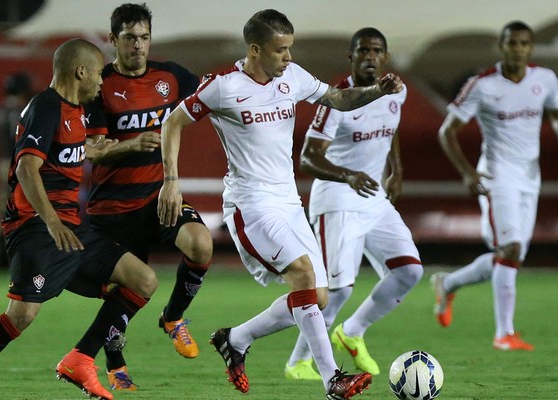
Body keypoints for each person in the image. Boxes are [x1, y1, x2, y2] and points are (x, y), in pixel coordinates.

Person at [158, 9, 403, 399]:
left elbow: (338, 98)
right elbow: (173, 122)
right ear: (255, 50)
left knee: (318, 298)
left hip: (289, 203)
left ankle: (235, 339)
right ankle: (333, 380)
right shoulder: (222, 87)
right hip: (251, 205)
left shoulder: (292, 76)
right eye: (280, 50)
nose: (288, 57)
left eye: (290, 48)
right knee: (305, 277)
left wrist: (377, 92)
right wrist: (171, 181)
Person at [0, 38, 158, 400]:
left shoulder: (77, 110)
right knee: (21, 315)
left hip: (71, 228)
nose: (102, 81)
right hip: (37, 227)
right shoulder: (46, 107)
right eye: (99, 73)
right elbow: (26, 167)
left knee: (142, 279)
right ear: (81, 71)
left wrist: (131, 145)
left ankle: (81, 359)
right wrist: (52, 221)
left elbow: (84, 151)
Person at [80, 3, 213, 391]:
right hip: (112, 208)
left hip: (158, 199)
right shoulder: (100, 85)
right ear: (112, 40)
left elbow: (212, 93)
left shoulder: (171, 77)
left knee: (201, 245)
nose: (138, 46)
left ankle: (173, 317)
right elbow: (90, 149)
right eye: (129, 38)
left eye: (144, 38)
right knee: (131, 289)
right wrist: (132, 144)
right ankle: (115, 364)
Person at [283, 27, 423, 381]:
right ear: (352, 58)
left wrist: (397, 170)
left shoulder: (397, 91)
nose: (370, 57)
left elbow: (390, 131)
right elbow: (308, 158)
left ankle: (353, 332)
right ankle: (298, 362)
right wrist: (347, 175)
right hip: (338, 200)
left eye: (377, 51)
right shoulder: (336, 100)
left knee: (409, 271)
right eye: (363, 51)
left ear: (386, 58)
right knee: (337, 290)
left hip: (374, 198)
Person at [431, 21, 558, 351]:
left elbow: (556, 112)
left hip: (530, 176)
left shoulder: (545, 79)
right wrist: (469, 173)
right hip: (497, 175)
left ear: (531, 48)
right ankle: (504, 334)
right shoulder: (482, 84)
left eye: (524, 43)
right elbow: (447, 132)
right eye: (512, 43)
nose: (518, 49)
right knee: (509, 250)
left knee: (510, 257)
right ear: (502, 46)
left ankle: (449, 283)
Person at [0, 71, 35, 270]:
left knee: (3, 207)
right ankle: (10, 256)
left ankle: (0, 255)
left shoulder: (1, 110)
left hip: (2, 161)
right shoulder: (18, 110)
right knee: (20, 207)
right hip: (14, 163)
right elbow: (18, 138)